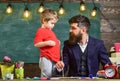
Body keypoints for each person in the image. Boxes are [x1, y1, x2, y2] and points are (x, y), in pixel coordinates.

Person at [34, 9, 60, 78]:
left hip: (53, 58)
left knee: (51, 76)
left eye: (54, 23)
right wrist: (47, 43)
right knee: (46, 76)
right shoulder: (41, 31)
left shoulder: (50, 31)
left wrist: (57, 42)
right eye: (52, 23)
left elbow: (51, 41)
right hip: (46, 57)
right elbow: (36, 44)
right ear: (44, 21)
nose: (53, 25)